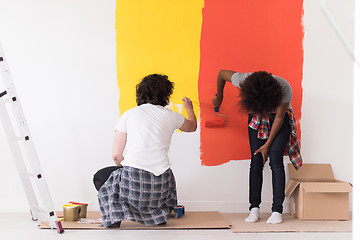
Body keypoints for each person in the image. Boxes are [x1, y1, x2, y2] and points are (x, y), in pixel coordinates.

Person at [93, 74, 197, 228]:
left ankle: (115, 216)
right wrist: (189, 109)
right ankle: (156, 216)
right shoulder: (172, 116)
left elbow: (116, 156)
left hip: (134, 187)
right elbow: (192, 127)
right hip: (161, 187)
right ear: (165, 94)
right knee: (164, 172)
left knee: (101, 176)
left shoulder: (129, 114)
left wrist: (128, 171)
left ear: (141, 93)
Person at [212, 70, 302, 224]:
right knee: (256, 161)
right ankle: (254, 208)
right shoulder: (244, 80)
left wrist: (267, 145)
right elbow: (221, 74)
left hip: (279, 119)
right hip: (257, 119)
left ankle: (277, 210)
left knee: (275, 160)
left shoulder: (284, 87)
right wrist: (220, 96)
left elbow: (279, 117)